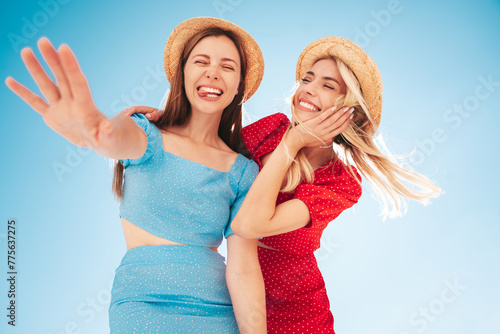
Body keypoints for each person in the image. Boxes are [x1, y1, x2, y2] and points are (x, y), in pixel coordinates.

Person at [123, 36, 441, 333]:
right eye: (307, 79)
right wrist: (172, 124)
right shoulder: (272, 128)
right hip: (235, 296)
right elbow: (211, 152)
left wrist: (292, 144)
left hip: (297, 310)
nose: (308, 88)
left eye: (327, 85)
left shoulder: (341, 182)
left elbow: (249, 224)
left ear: (351, 113)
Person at [6, 17, 267, 333]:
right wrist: (95, 130)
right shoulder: (148, 135)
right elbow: (113, 136)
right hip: (143, 305)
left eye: (227, 67)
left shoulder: (244, 172)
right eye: (201, 61)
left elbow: (243, 269)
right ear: (182, 73)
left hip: (217, 310)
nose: (212, 72)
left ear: (239, 86)